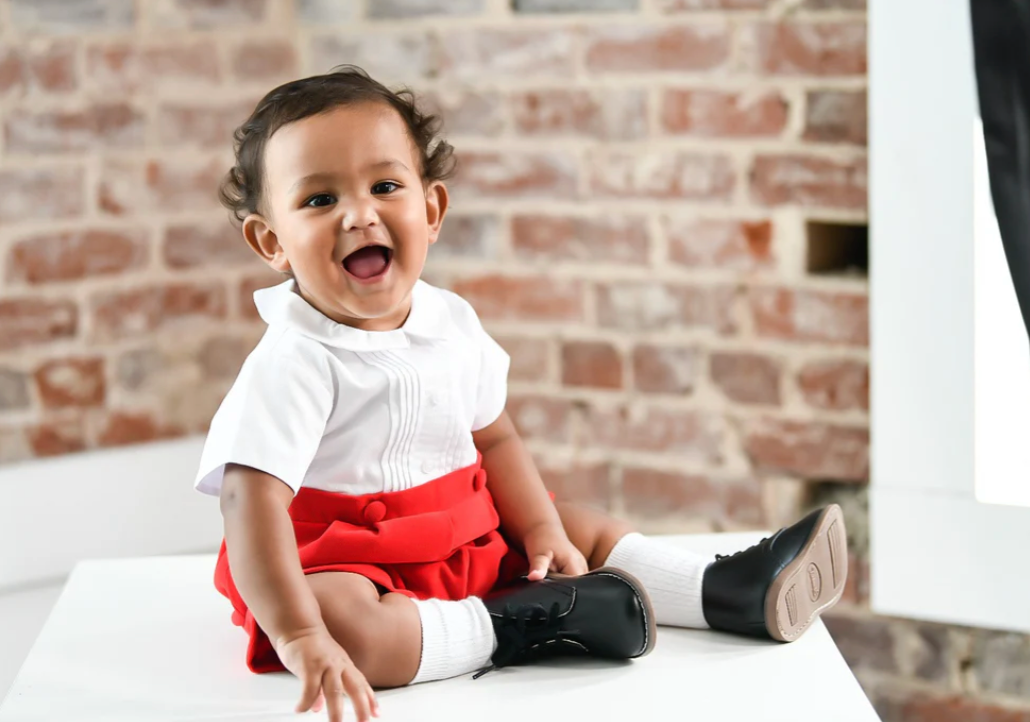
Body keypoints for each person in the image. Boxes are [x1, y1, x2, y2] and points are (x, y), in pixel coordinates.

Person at [194, 65, 849, 722]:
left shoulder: (450, 321)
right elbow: (248, 503)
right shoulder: (296, 359)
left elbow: (496, 436)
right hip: (350, 559)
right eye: (319, 201)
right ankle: (519, 625)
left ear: (431, 210)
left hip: (460, 527)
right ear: (271, 241)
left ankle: (726, 591)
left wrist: (540, 530)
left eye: (385, 186)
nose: (359, 214)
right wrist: (299, 633)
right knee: (349, 628)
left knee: (577, 528)